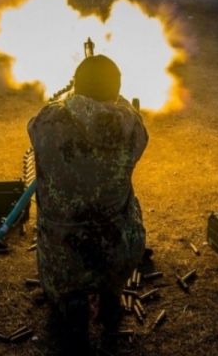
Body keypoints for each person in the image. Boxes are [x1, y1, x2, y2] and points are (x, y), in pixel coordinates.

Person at [27, 55, 148, 348]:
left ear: (77, 86)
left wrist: (72, 100)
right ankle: (110, 292)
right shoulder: (132, 126)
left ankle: (71, 300)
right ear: (116, 89)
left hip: (62, 255)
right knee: (129, 203)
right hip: (116, 248)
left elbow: (33, 127)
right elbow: (131, 124)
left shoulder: (47, 121)